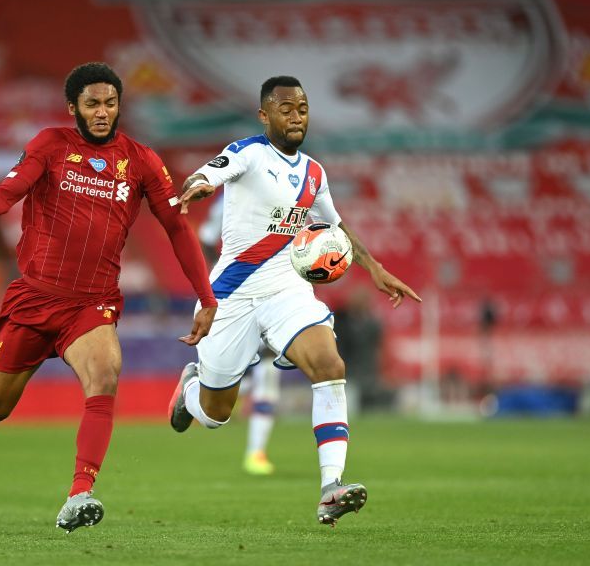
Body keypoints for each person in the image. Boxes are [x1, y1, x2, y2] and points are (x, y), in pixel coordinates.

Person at [0, 62, 217, 533]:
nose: (103, 111)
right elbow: (11, 190)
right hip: (34, 298)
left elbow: (176, 227)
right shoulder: (50, 145)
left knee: (105, 374)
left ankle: (80, 493)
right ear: (74, 108)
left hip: (92, 304)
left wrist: (206, 298)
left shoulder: (142, 161)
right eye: (93, 104)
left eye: (110, 103)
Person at [169, 76, 421, 528]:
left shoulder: (315, 174)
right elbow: (211, 171)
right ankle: (190, 394)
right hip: (231, 293)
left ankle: (331, 488)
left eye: (302, 107)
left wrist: (376, 269)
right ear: (265, 115)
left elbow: (337, 228)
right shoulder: (246, 152)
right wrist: (200, 184)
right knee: (216, 414)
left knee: (330, 365)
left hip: (288, 289)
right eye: (285, 108)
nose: (296, 115)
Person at [198, 191, 281, 476]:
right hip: (237, 294)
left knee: (269, 369)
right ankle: (199, 388)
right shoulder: (229, 200)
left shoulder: (293, 193)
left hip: (276, 291)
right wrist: (224, 274)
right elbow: (206, 238)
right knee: (236, 373)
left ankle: (256, 453)